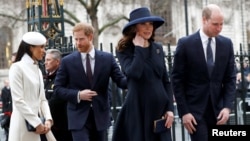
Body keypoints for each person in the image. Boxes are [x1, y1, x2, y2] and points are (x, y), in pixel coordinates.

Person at [171, 4, 236, 141]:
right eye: (215, 24)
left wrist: (227, 107)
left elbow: (230, 78)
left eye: (221, 24)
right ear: (204, 20)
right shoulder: (185, 44)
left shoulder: (227, 44)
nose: (219, 28)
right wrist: (184, 112)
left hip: (219, 111)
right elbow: (177, 81)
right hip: (195, 113)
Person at [54, 22, 127, 141]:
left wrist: (135, 73)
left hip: (101, 116)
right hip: (77, 117)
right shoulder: (67, 61)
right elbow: (58, 89)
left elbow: (121, 81)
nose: (78, 43)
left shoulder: (107, 58)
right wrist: (78, 95)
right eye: (76, 39)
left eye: (81, 39)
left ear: (90, 37)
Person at [112, 7, 174, 141]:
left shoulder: (157, 48)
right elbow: (134, 73)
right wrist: (139, 48)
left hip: (160, 112)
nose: (148, 28)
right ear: (134, 28)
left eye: (150, 24)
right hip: (138, 111)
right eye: (143, 24)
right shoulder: (124, 50)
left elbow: (166, 81)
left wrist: (170, 109)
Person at [8, 31, 54, 141]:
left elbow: (42, 99)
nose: (44, 51)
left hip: (39, 126)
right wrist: (36, 123)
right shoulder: (17, 68)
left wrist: (48, 119)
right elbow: (18, 100)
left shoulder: (37, 70)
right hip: (23, 126)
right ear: (31, 48)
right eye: (41, 47)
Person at [43, 49, 73, 141]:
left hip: (61, 125)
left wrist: (44, 109)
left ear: (57, 62)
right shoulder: (47, 78)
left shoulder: (61, 77)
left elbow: (57, 100)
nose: (45, 63)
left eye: (48, 60)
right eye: (45, 60)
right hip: (49, 122)